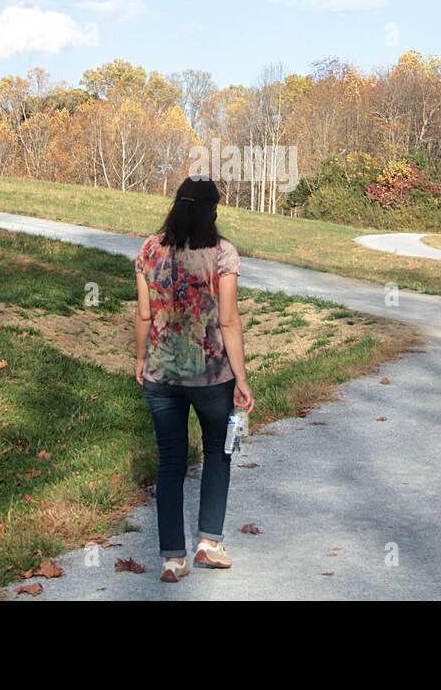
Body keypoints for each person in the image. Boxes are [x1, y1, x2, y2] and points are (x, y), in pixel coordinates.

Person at [134, 176, 254, 583]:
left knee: (170, 463)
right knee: (218, 454)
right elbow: (228, 319)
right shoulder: (223, 254)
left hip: (161, 374)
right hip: (210, 376)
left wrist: (140, 358)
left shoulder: (150, 249)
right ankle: (209, 544)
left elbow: (145, 315)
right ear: (212, 210)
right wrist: (241, 377)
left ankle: (171, 558)